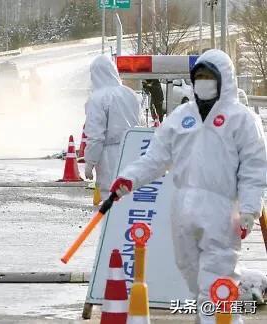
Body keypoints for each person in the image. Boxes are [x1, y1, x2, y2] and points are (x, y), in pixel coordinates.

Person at [110, 49, 267, 324]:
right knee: (192, 273)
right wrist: (128, 179)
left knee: (216, 278)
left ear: (224, 79)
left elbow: (255, 168)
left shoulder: (241, 119)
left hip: (221, 209)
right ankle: (221, 318)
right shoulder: (182, 116)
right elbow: (156, 158)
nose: (204, 82)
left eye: (210, 76)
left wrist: (250, 209)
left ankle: (215, 319)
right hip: (182, 209)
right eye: (200, 76)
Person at [83, 55, 141, 200]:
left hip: (109, 155)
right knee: (130, 195)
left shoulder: (97, 98)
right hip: (132, 150)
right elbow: (141, 124)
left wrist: (90, 162)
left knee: (110, 194)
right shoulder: (130, 94)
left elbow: (96, 136)